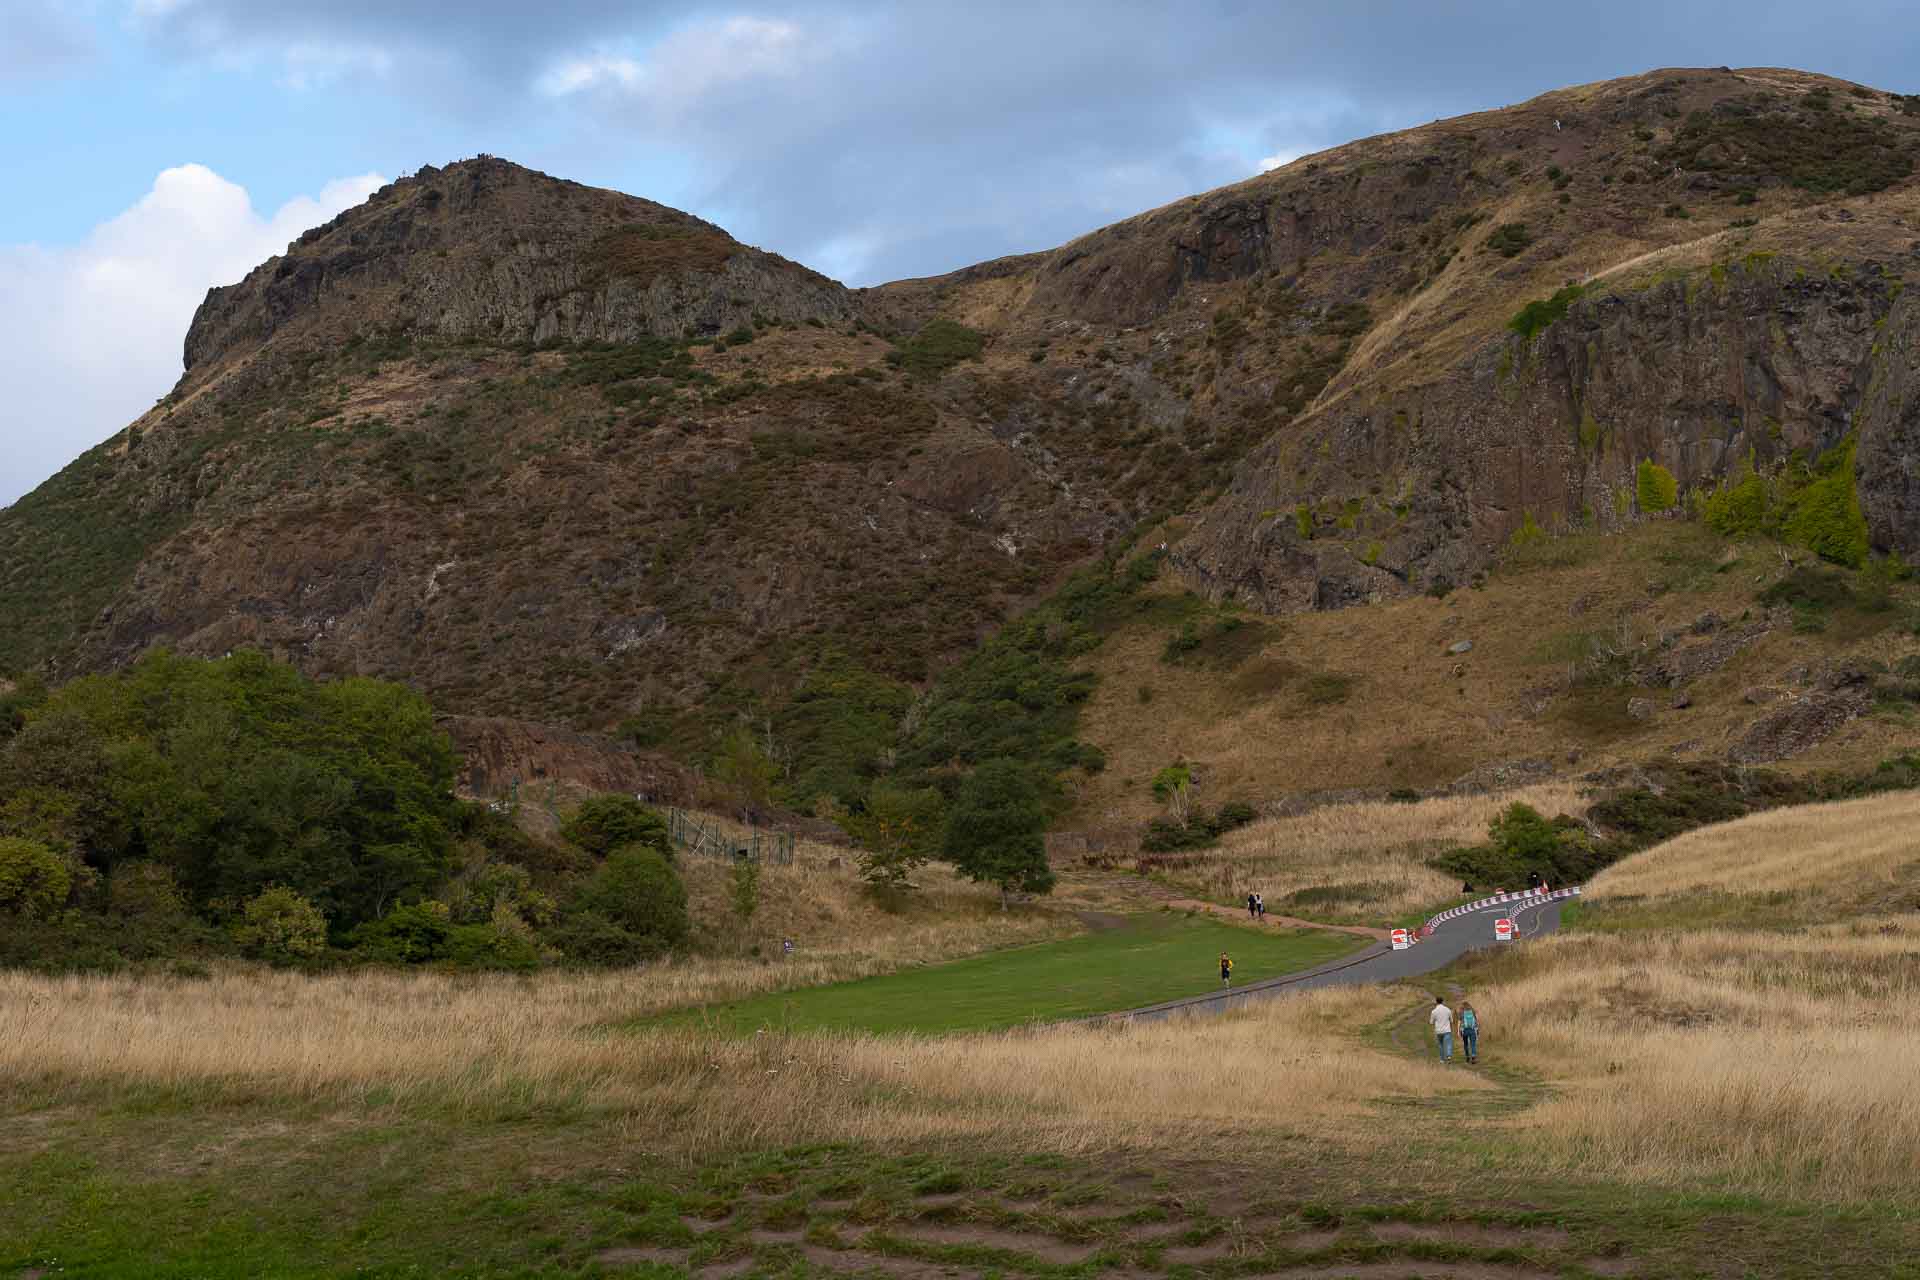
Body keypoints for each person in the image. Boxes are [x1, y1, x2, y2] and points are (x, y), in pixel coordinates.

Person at [1429, 995, 1454, 1062]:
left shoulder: (1433, 1011)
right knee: (1448, 1043)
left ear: (1436, 1002)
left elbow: (1431, 1022)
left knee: (1440, 1045)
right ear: (1443, 1001)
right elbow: (1451, 1020)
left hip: (1438, 1031)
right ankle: (1448, 1055)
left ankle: (1442, 1059)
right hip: (1447, 1030)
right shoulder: (1448, 1010)